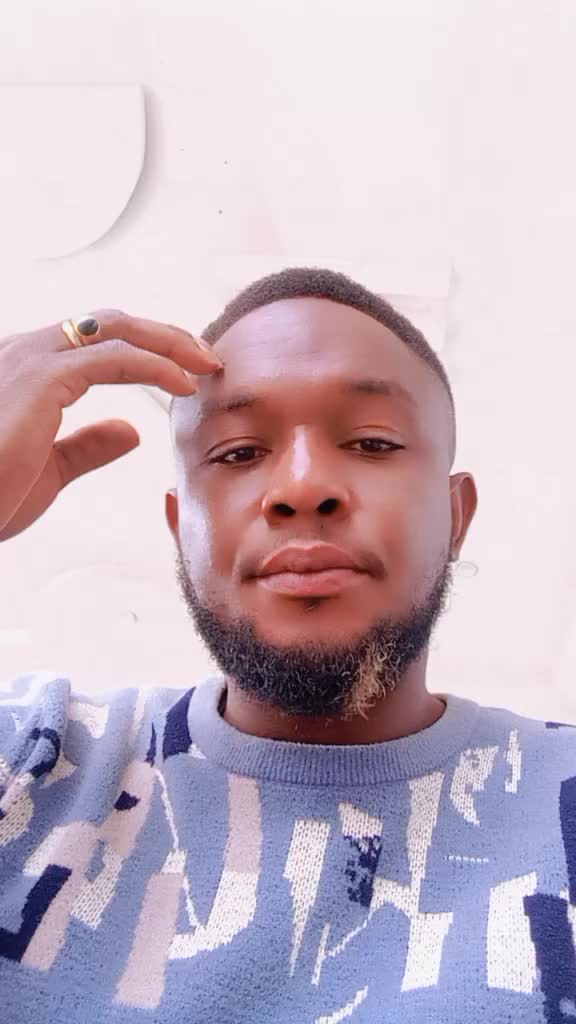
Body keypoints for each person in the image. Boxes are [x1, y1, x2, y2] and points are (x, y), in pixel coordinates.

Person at [0, 267, 572, 1024]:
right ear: (181, 530)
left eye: (373, 441)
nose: (303, 487)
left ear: (455, 516)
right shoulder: (31, 759)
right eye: (238, 453)